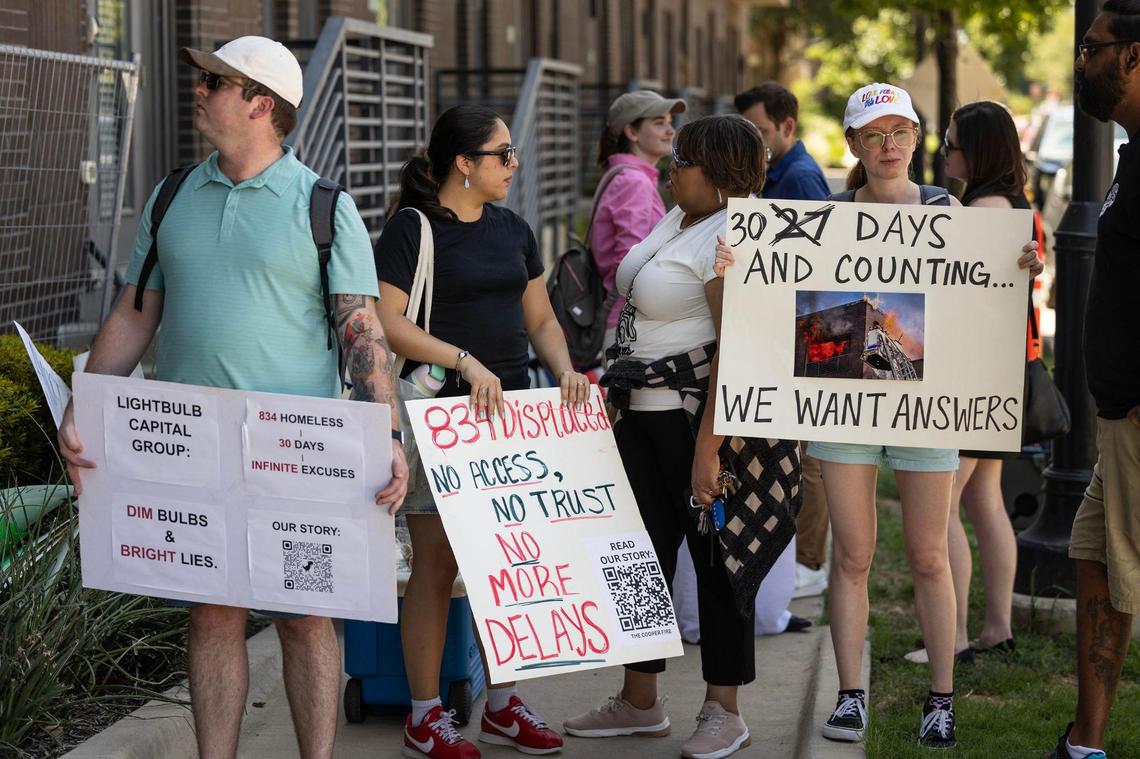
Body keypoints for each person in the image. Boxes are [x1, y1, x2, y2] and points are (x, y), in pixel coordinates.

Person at [56, 37, 408, 759]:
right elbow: (135, 311)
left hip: (295, 453)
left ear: (261, 104)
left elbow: (362, 334)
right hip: (190, 447)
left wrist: (389, 439)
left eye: (216, 81)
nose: (200, 90)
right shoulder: (173, 192)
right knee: (212, 613)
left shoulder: (323, 207)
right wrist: (84, 398)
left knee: (305, 616)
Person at [715, 82, 1042, 750]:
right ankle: (850, 694)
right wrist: (733, 277)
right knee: (854, 556)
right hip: (846, 409)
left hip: (927, 408)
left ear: (917, 139)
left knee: (929, 553)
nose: (888, 145)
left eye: (900, 132)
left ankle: (942, 699)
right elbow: (780, 315)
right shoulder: (827, 219)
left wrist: (1019, 270)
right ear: (855, 146)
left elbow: (977, 305)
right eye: (874, 135)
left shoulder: (949, 211)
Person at [564, 114, 801, 759]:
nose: (670, 169)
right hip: (639, 414)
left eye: (683, 162)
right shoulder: (682, 219)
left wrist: (708, 447)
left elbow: (738, 348)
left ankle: (725, 709)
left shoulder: (735, 236)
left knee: (718, 562)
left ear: (719, 173)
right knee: (636, 558)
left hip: (694, 420)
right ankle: (639, 700)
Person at [374, 104, 590, 759]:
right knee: (436, 566)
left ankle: (502, 706)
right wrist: (463, 359)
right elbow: (387, 322)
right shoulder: (411, 229)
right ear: (464, 163)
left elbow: (542, 318)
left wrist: (565, 369)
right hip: (443, 417)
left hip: (513, 414)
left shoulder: (515, 229)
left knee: (509, 565)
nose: (514, 164)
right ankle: (424, 714)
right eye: (503, 154)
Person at [905, 100, 1036, 667]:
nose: (943, 153)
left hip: (979, 372)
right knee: (984, 499)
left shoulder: (982, 206)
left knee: (949, 503)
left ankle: (954, 635)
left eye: (952, 144)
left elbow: (961, 294)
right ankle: (996, 629)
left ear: (978, 150)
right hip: (1008, 369)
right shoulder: (1013, 203)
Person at [1047, 4, 1140, 757]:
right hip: (1119, 415)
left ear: (1133, 56)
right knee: (1093, 557)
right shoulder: (1133, 152)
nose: (1083, 62)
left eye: (1092, 48)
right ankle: (1087, 742)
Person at [736, 82, 831, 601]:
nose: (755, 139)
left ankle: (811, 562)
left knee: (807, 457)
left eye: (762, 131)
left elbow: (818, 268)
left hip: (803, 336)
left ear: (787, 128)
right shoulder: (776, 173)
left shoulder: (800, 179)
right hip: (784, 335)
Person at [592, 90, 685, 353]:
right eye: (659, 123)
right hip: (631, 326)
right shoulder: (633, 182)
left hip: (629, 322)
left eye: (669, 122)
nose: (670, 131)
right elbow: (630, 263)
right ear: (631, 132)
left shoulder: (627, 176)